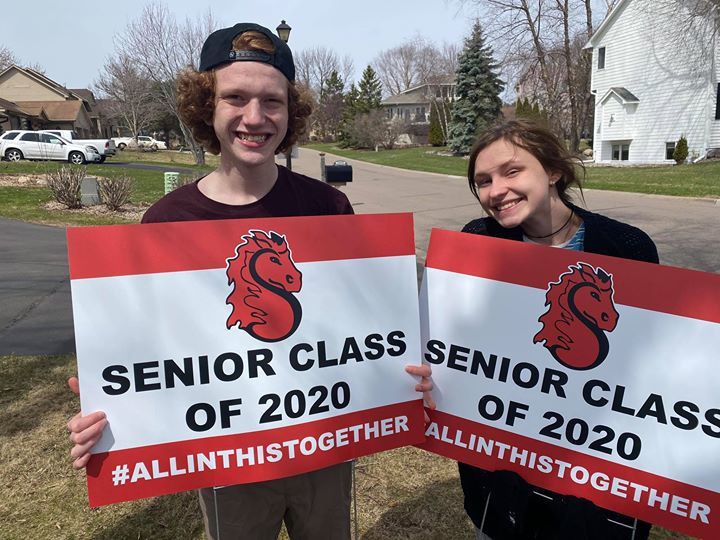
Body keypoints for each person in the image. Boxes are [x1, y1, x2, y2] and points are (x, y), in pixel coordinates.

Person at [67, 22, 433, 540]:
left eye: (272, 101)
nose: (255, 118)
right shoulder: (167, 222)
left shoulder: (328, 207)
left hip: (322, 445)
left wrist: (405, 372)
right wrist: (109, 407)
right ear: (206, 107)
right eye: (235, 97)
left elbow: (365, 331)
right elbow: (147, 351)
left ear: (292, 111)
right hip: (227, 459)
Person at [459, 119, 658, 540]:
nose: (496, 191)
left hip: (595, 467)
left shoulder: (628, 247)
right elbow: (460, 343)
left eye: (512, 172)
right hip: (507, 472)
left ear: (553, 172)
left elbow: (651, 359)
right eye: (483, 180)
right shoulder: (477, 241)